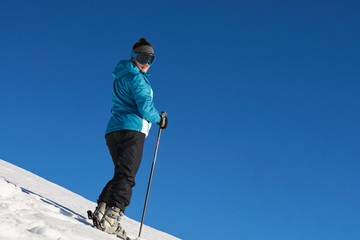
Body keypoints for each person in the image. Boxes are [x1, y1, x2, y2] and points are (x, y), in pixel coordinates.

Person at [91, 38, 167, 240]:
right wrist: (160, 119)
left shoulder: (121, 76)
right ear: (133, 57)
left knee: (120, 174)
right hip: (132, 130)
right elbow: (144, 107)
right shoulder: (137, 79)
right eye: (143, 57)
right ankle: (111, 220)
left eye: (151, 59)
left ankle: (102, 211)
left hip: (113, 130)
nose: (147, 63)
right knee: (127, 177)